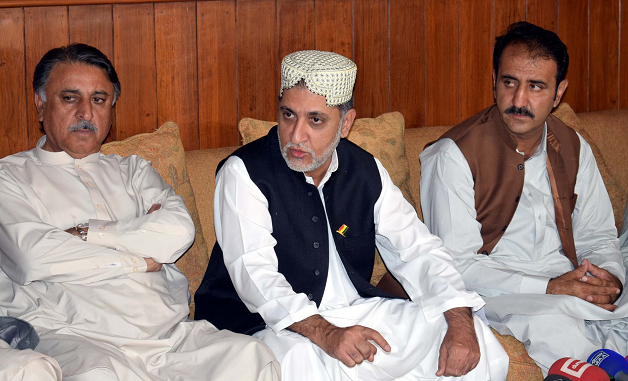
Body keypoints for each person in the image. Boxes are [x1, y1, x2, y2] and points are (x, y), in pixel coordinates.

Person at [194, 50, 508, 381]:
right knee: (298, 362)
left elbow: (417, 249)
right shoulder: (243, 172)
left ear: (345, 123)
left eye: (315, 120)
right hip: (269, 326)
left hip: (355, 313)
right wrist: (325, 333)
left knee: (468, 338)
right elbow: (253, 275)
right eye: (288, 115)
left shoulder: (365, 170)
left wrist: (458, 320)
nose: (296, 135)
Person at [0, 43, 280, 381]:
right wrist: (140, 258)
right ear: (40, 105)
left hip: (169, 338)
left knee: (253, 357)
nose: (86, 113)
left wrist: (88, 234)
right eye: (70, 98)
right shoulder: (4, 179)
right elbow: (32, 258)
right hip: (74, 339)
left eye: (98, 100)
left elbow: (177, 232)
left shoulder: (134, 170)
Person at [420, 21, 628, 374]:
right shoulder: (452, 156)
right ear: (495, 81)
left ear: (558, 92)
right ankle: (598, 366)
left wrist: (606, 277)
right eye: (509, 82)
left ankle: (606, 360)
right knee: (549, 320)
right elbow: (458, 267)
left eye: (536, 87)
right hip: (502, 289)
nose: (519, 101)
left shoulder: (574, 147)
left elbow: (598, 235)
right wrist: (550, 287)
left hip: (569, 278)